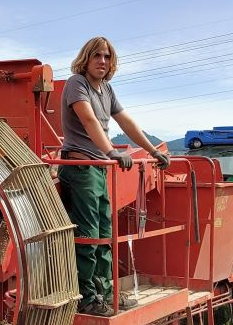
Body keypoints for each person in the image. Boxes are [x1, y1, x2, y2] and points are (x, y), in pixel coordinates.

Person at [57, 36, 170, 316]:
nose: (103, 61)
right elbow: (88, 120)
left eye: (107, 57)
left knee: (106, 234)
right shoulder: (77, 83)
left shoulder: (106, 89)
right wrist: (111, 151)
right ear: (87, 57)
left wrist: (152, 151)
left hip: (100, 170)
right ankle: (87, 297)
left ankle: (107, 293)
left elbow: (126, 122)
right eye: (97, 56)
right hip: (81, 169)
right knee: (89, 235)